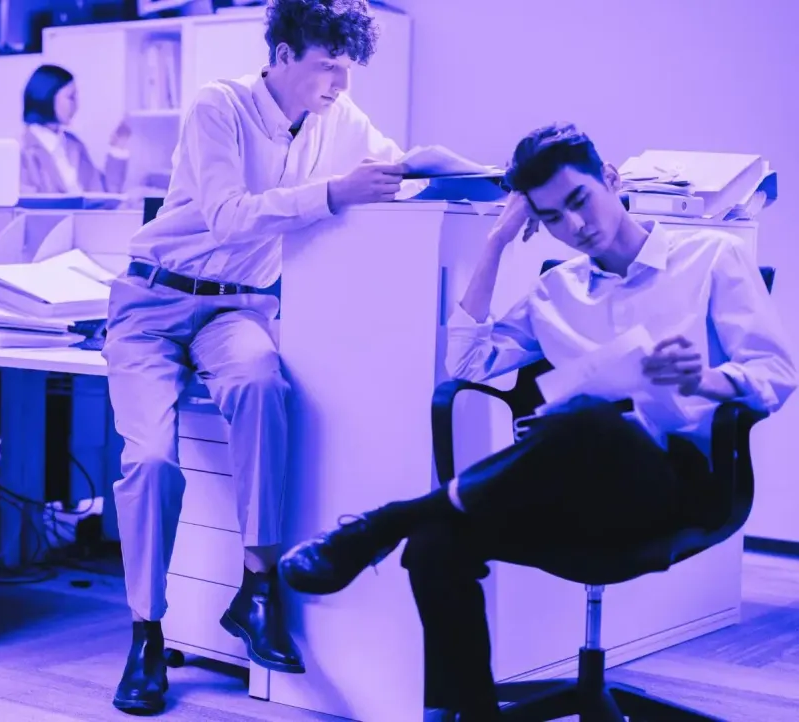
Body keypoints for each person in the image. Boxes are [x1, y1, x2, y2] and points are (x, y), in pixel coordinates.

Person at [278, 123, 797, 719]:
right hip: (580, 486)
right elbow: (467, 362)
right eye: (552, 218)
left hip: (680, 484)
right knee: (434, 544)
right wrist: (497, 241)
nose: (575, 227)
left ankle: (382, 521)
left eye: (579, 200)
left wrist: (702, 379)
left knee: (589, 422)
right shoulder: (556, 291)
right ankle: (471, 710)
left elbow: (776, 373)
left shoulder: (711, 257)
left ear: (611, 179)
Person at [103, 0, 425, 713]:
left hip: (237, 307)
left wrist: (508, 185)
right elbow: (229, 214)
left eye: (347, 67)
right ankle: (146, 634)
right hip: (151, 304)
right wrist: (333, 193)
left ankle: (255, 588)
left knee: (263, 385)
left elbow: (406, 171)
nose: (340, 81)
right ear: (283, 56)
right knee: (150, 460)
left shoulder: (343, 119)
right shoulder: (219, 106)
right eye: (326, 66)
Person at [19, 63, 131, 195]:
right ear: (47, 96)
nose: (76, 105)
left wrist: (117, 148)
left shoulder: (74, 145)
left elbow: (105, 195)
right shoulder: (22, 152)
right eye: (71, 97)